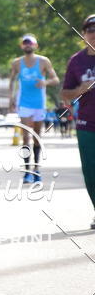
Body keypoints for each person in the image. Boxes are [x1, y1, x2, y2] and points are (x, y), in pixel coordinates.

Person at [9, 34, 59, 183]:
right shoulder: (16, 63)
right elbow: (12, 81)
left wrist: (45, 83)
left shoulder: (43, 61)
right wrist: (11, 98)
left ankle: (36, 170)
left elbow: (56, 79)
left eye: (30, 43)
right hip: (24, 103)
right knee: (25, 137)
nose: (27, 45)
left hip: (39, 104)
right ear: (21, 46)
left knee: (37, 137)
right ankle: (27, 172)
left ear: (35, 46)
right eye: (25, 43)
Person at [61, 14, 95, 230]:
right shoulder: (76, 61)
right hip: (86, 124)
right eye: (90, 31)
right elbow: (65, 94)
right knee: (91, 172)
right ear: (83, 35)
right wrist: (80, 89)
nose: (94, 34)